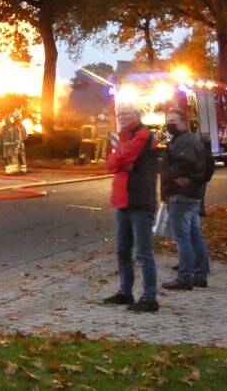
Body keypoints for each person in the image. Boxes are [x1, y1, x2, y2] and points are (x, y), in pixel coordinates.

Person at [102, 104, 159, 312]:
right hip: (123, 201)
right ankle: (125, 292)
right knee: (122, 250)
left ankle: (150, 297)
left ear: (138, 115)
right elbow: (111, 163)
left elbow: (123, 158)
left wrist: (121, 159)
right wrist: (121, 160)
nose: (122, 117)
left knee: (143, 252)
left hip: (139, 201)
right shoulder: (124, 136)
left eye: (127, 114)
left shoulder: (143, 135)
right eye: (120, 114)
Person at [161, 109, 210, 290]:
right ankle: (200, 274)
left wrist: (173, 176)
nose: (169, 124)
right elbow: (206, 166)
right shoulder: (193, 140)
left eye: (172, 120)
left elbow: (183, 164)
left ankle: (184, 278)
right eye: (167, 120)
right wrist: (197, 182)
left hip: (180, 196)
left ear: (183, 122)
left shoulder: (183, 142)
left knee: (183, 238)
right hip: (193, 196)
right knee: (195, 236)